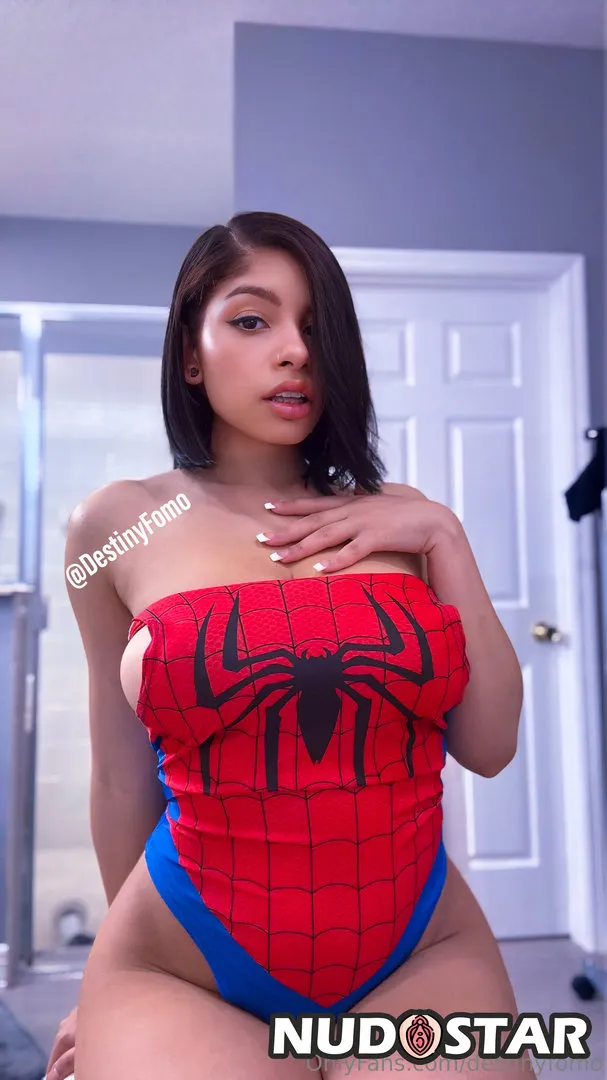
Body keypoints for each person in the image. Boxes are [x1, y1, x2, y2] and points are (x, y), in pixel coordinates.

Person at [47, 211, 526, 1079]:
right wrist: (99, 994)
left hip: (418, 946)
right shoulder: (116, 525)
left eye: (315, 327)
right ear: (190, 354)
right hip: (181, 960)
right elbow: (120, 775)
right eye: (251, 320)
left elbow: (489, 748)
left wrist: (444, 535)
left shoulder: (403, 519)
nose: (295, 350)